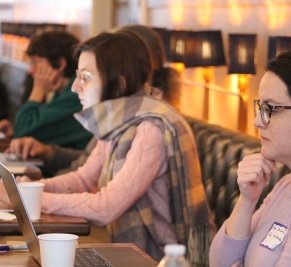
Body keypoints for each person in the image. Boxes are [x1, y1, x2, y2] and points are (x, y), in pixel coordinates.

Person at [0, 32, 214, 265]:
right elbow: (84, 179)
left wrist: (30, 199)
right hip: (124, 247)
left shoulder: (151, 127)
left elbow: (107, 207)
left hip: (157, 257)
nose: (75, 87)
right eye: (77, 76)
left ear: (118, 83)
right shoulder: (119, 120)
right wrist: (27, 189)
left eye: (86, 77)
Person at [7, 25, 181, 177]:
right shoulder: (115, 113)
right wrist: (48, 154)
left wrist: (41, 194)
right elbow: (87, 165)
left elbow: (108, 200)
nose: (31, 71)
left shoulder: (145, 126)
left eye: (36, 64)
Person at [209, 48, 291, 267]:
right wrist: (247, 199)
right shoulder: (287, 183)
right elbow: (219, 262)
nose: (257, 121)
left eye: (270, 108)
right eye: (260, 107)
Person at [0, 30, 92, 149]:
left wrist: (38, 90)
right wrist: (14, 130)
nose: (31, 70)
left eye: (35, 63)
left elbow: (23, 132)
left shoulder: (75, 96)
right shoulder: (61, 92)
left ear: (59, 64)